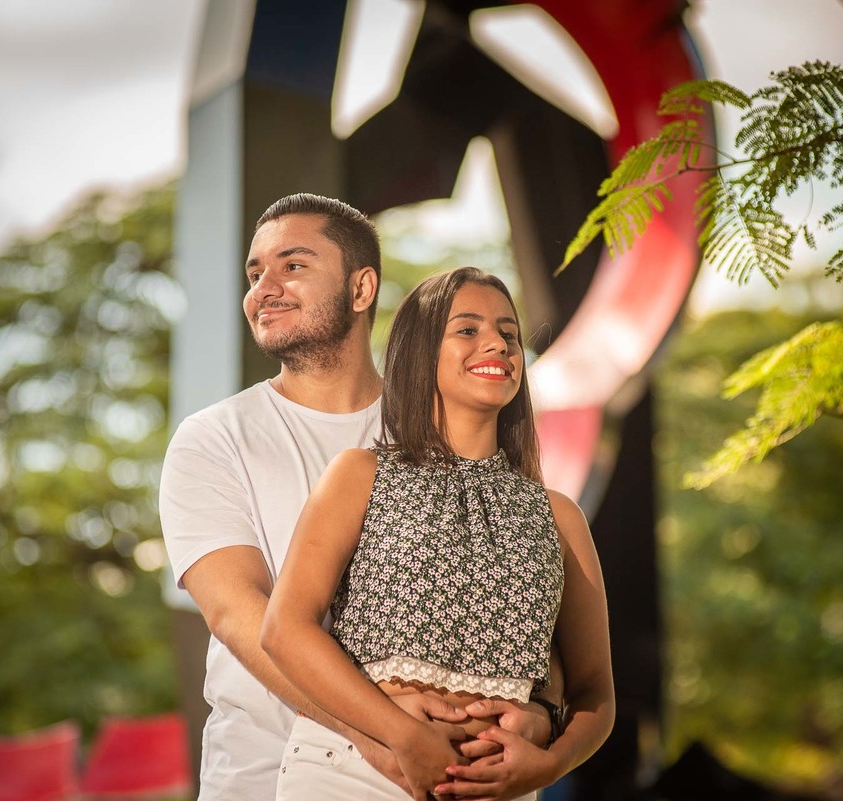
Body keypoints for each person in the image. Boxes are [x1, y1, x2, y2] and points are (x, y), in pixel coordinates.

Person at [159, 195, 558, 800]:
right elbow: (239, 616)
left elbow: (521, 600)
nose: (264, 287)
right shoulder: (213, 438)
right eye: (254, 272)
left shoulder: (449, 432)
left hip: (445, 777)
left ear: (362, 286)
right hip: (259, 778)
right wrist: (382, 735)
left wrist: (545, 712)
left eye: (292, 265)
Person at [262, 267, 615, 800]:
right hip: (355, 771)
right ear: (421, 353)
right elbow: (284, 630)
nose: (497, 342)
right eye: (468, 330)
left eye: (509, 333)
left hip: (500, 788)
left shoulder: (560, 515)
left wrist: (546, 767)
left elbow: (596, 693)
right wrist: (401, 735)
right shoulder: (360, 474)